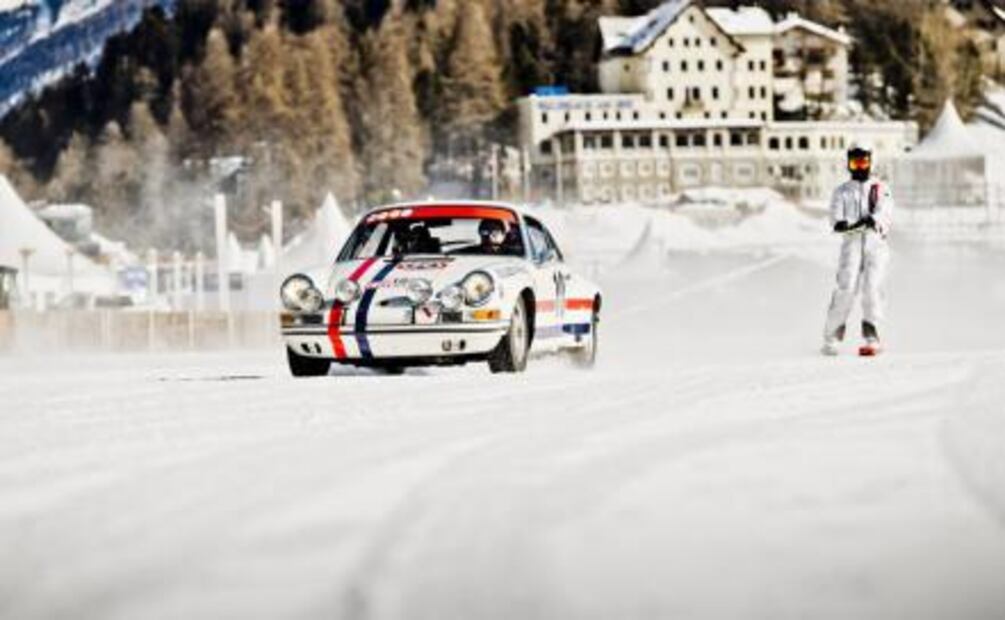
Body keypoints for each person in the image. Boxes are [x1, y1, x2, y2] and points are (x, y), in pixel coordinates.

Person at [822, 142, 894, 356]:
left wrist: (875, 219)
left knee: (872, 287)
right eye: (855, 161)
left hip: (875, 245)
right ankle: (833, 335)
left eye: (863, 161)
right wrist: (841, 223)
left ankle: (872, 334)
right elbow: (835, 215)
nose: (859, 166)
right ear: (849, 163)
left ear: (871, 162)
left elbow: (886, 211)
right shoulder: (842, 191)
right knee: (846, 286)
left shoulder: (880, 188)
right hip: (851, 243)